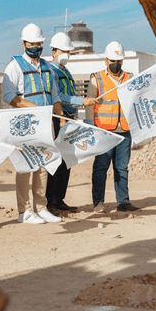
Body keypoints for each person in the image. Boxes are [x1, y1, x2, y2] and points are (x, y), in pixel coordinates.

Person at [2, 23, 65, 224]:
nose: (36, 47)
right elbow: (9, 95)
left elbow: (54, 95)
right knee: (26, 166)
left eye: (39, 43)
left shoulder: (47, 67)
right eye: (32, 43)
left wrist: (61, 117)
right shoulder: (14, 66)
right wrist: (33, 107)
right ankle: (24, 211)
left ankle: (41, 207)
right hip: (25, 124)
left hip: (46, 123)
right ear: (24, 44)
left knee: (43, 165)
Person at [85, 41, 141, 213]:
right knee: (101, 168)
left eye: (119, 61)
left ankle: (123, 202)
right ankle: (98, 203)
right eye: (112, 61)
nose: (115, 64)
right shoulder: (97, 78)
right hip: (104, 132)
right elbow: (89, 106)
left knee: (122, 168)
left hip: (124, 131)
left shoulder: (130, 77)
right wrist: (91, 128)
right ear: (106, 60)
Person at [45, 32, 97, 215]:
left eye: (68, 51)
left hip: (69, 118)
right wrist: (80, 101)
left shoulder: (65, 71)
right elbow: (58, 96)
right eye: (63, 51)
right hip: (57, 118)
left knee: (67, 160)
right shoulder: (50, 70)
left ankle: (59, 199)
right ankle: (50, 201)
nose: (66, 54)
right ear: (53, 52)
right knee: (57, 161)